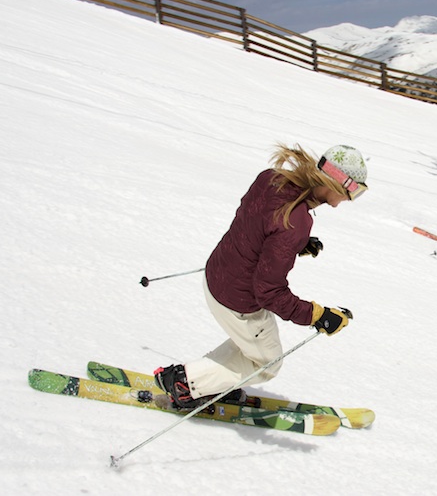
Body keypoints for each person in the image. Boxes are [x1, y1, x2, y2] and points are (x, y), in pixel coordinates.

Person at [154, 143, 368, 409]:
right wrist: (317, 315)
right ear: (336, 183)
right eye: (353, 192)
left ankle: (213, 383)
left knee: (252, 347)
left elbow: (257, 225)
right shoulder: (295, 221)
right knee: (267, 363)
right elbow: (269, 293)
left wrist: (291, 246)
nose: (349, 199)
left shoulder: (272, 179)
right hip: (239, 303)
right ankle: (185, 384)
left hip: (217, 275)